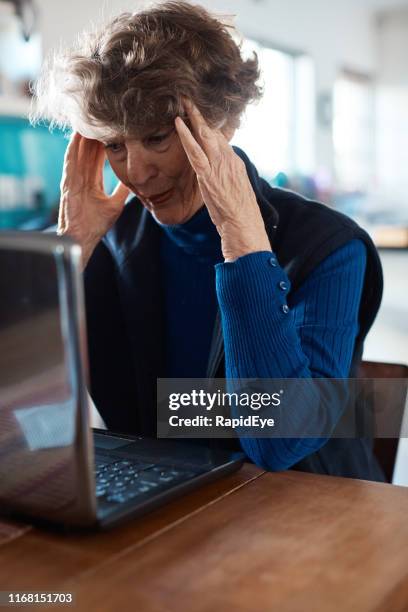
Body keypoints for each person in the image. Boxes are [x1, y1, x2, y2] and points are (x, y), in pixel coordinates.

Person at [31, 1, 385, 480]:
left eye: (157, 138)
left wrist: (242, 244)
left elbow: (278, 439)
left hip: (305, 512)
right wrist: (69, 253)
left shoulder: (326, 245)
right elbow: (24, 420)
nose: (135, 172)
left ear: (225, 123)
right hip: (167, 506)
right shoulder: (103, 239)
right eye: (115, 144)